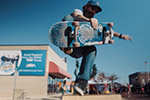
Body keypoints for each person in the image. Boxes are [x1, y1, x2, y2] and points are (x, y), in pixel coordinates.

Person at [61, 0, 132, 96]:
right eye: (93, 8)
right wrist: (88, 21)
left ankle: (81, 83)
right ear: (86, 7)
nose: (94, 12)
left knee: (92, 49)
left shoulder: (94, 25)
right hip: (71, 46)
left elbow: (106, 30)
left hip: (79, 50)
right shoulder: (79, 12)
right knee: (67, 17)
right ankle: (66, 44)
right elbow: (75, 15)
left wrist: (121, 36)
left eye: (96, 11)